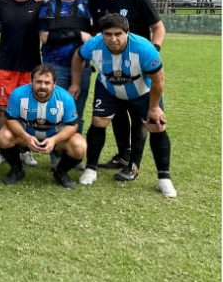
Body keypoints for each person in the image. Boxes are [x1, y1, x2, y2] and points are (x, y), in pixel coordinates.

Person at [70, 14, 176, 197]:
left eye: (118, 34)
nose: (113, 39)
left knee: (157, 125)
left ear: (127, 32)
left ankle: (164, 179)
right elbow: (78, 56)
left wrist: (154, 107)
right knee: (98, 122)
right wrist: (76, 83)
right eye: (108, 34)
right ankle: (91, 168)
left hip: (142, 92)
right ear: (102, 34)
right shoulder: (94, 44)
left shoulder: (144, 48)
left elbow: (158, 81)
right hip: (109, 89)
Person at [89, 0, 166, 179]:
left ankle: (134, 165)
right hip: (111, 67)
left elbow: (158, 27)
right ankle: (123, 156)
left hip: (138, 67)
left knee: (139, 114)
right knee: (118, 113)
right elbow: (94, 30)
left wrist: (154, 50)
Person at [0, 0, 43, 167]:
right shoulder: (0, 4)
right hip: (5, 66)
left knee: (28, 110)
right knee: (2, 110)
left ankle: (25, 149)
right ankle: (4, 150)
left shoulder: (39, 4)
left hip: (30, 67)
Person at [0, 64, 86, 189]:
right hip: (26, 137)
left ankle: (61, 172)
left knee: (80, 145)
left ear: (54, 83)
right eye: (38, 82)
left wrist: (54, 140)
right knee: (3, 136)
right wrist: (26, 137)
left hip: (54, 139)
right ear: (31, 81)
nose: (42, 86)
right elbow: (10, 119)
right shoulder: (18, 94)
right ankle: (17, 170)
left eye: (47, 82)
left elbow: (72, 125)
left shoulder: (65, 98)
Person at [38, 0, 93, 139]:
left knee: (77, 111)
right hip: (55, 67)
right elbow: (46, 37)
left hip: (83, 66)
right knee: (56, 109)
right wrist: (77, 34)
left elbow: (93, 36)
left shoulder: (88, 4)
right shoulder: (49, 7)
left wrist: (64, 33)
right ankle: (56, 153)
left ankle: (74, 156)